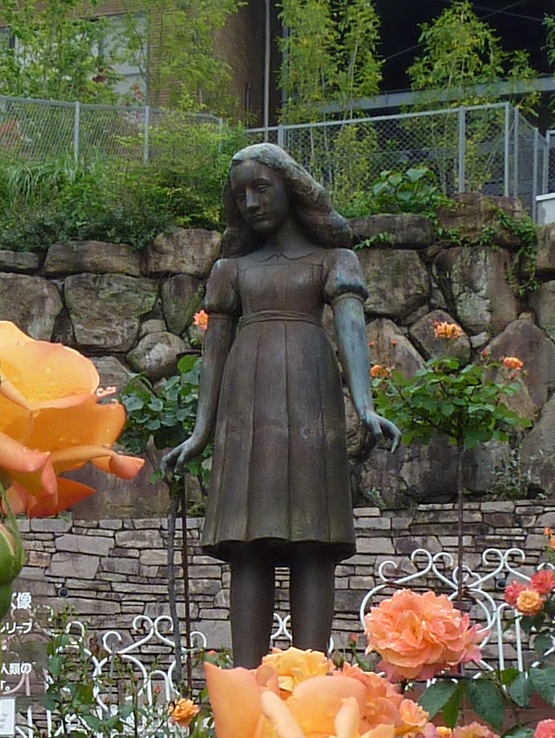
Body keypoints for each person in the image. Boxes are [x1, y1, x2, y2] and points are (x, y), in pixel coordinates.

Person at [162, 142, 399, 667]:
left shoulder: (334, 260)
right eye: (240, 193)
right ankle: (246, 685)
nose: (251, 202)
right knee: (247, 542)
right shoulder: (231, 269)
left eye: (261, 188)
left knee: (314, 540)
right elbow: (214, 354)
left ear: (292, 189)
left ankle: (310, 682)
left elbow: (351, 331)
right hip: (246, 406)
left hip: (312, 399)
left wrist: (365, 405)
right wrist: (200, 433)